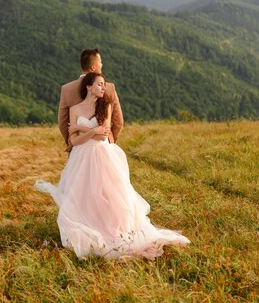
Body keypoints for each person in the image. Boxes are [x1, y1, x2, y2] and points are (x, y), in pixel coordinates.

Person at [35, 72, 190, 259]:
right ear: (88, 86)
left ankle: (114, 229)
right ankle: (90, 224)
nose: (103, 88)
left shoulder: (105, 106)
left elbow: (102, 136)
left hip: (102, 155)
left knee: (108, 194)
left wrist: (80, 129)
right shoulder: (75, 109)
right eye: (100, 84)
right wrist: (89, 130)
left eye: (104, 84)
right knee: (85, 195)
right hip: (81, 157)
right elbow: (74, 141)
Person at [58, 48, 123, 151]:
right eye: (100, 62)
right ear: (93, 67)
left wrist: (72, 142)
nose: (102, 65)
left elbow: (62, 123)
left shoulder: (67, 89)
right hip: (104, 147)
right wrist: (110, 140)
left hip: (78, 148)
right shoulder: (109, 88)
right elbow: (118, 122)